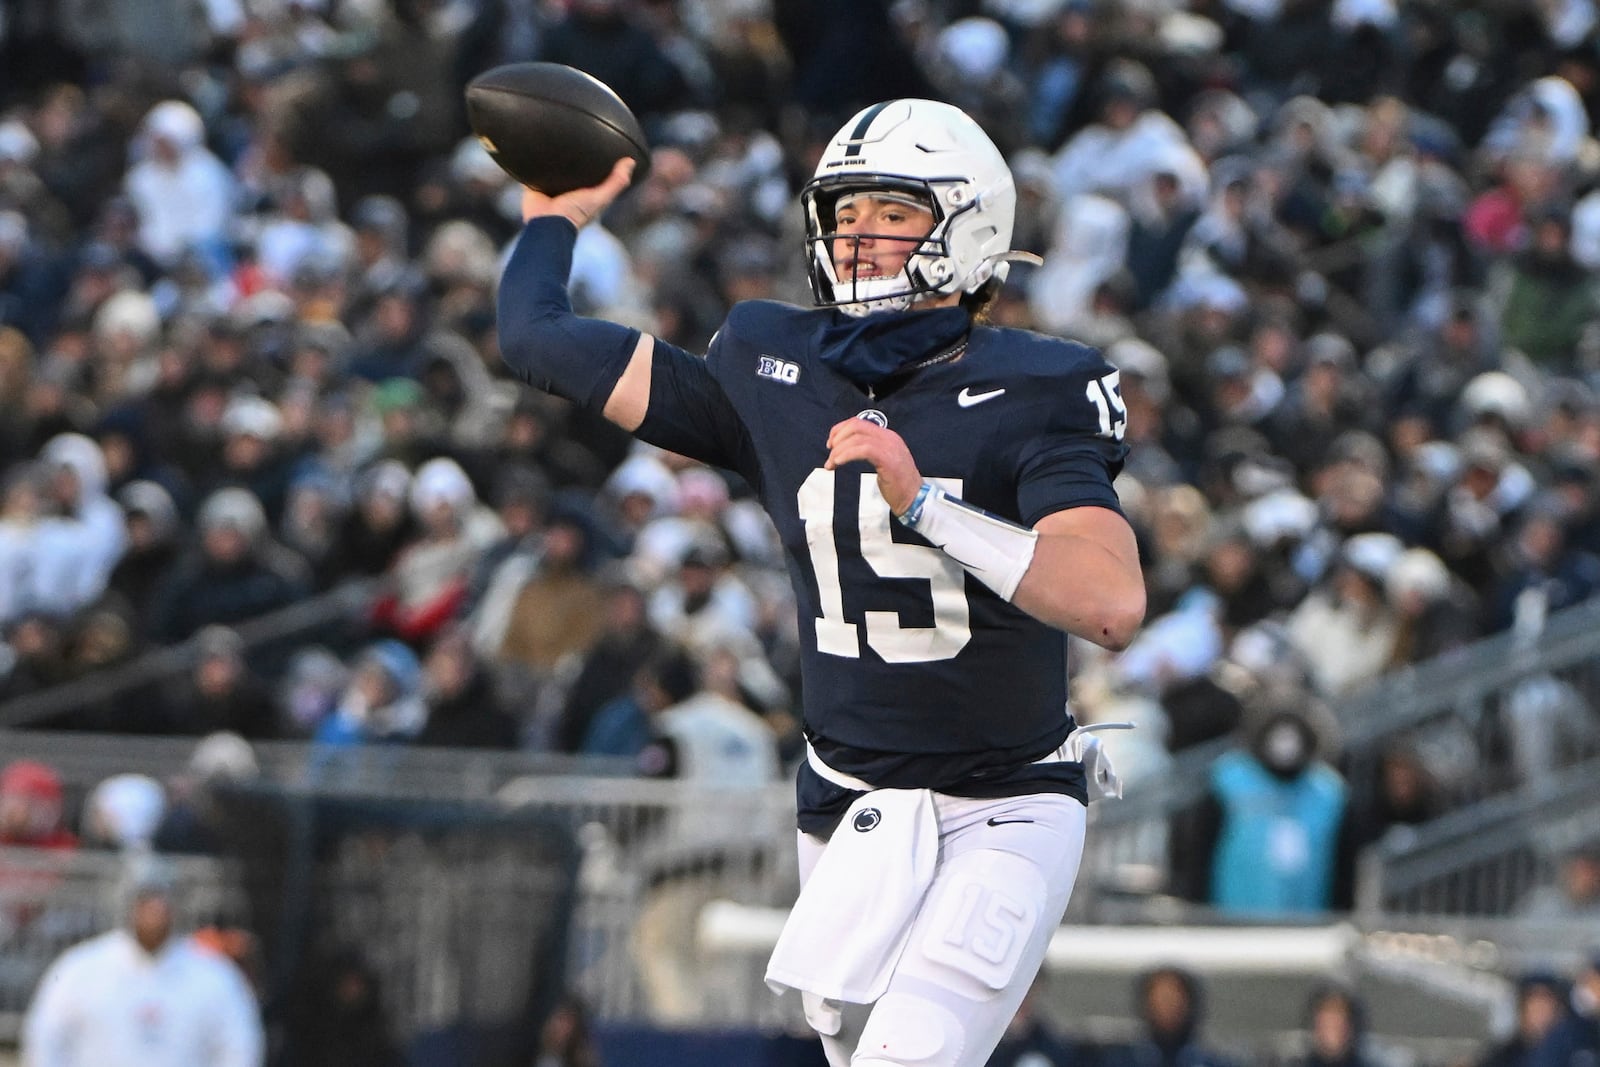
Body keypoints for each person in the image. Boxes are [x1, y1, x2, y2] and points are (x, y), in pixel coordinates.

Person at [498, 98, 1144, 1067]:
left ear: (968, 225)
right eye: (844, 216)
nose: (859, 238)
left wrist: (923, 501)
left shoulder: (1038, 384)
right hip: (848, 799)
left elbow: (1108, 602)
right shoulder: (773, 363)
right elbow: (538, 339)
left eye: (889, 213)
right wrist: (555, 215)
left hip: (1005, 797)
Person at [21, 862, 265, 1067]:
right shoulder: (81, 968)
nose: (154, 913)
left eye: (161, 903)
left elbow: (239, 1048)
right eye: (145, 902)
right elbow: (45, 1040)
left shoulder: (214, 975)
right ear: (127, 905)